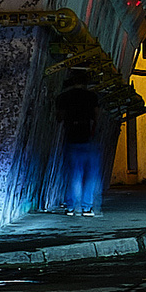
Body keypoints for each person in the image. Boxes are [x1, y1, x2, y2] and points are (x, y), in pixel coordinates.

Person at [55, 80, 106, 215]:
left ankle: (71, 207)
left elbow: (59, 117)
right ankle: (87, 208)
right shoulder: (91, 96)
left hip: (71, 139)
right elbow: (96, 116)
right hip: (88, 139)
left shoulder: (64, 97)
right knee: (90, 175)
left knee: (74, 175)